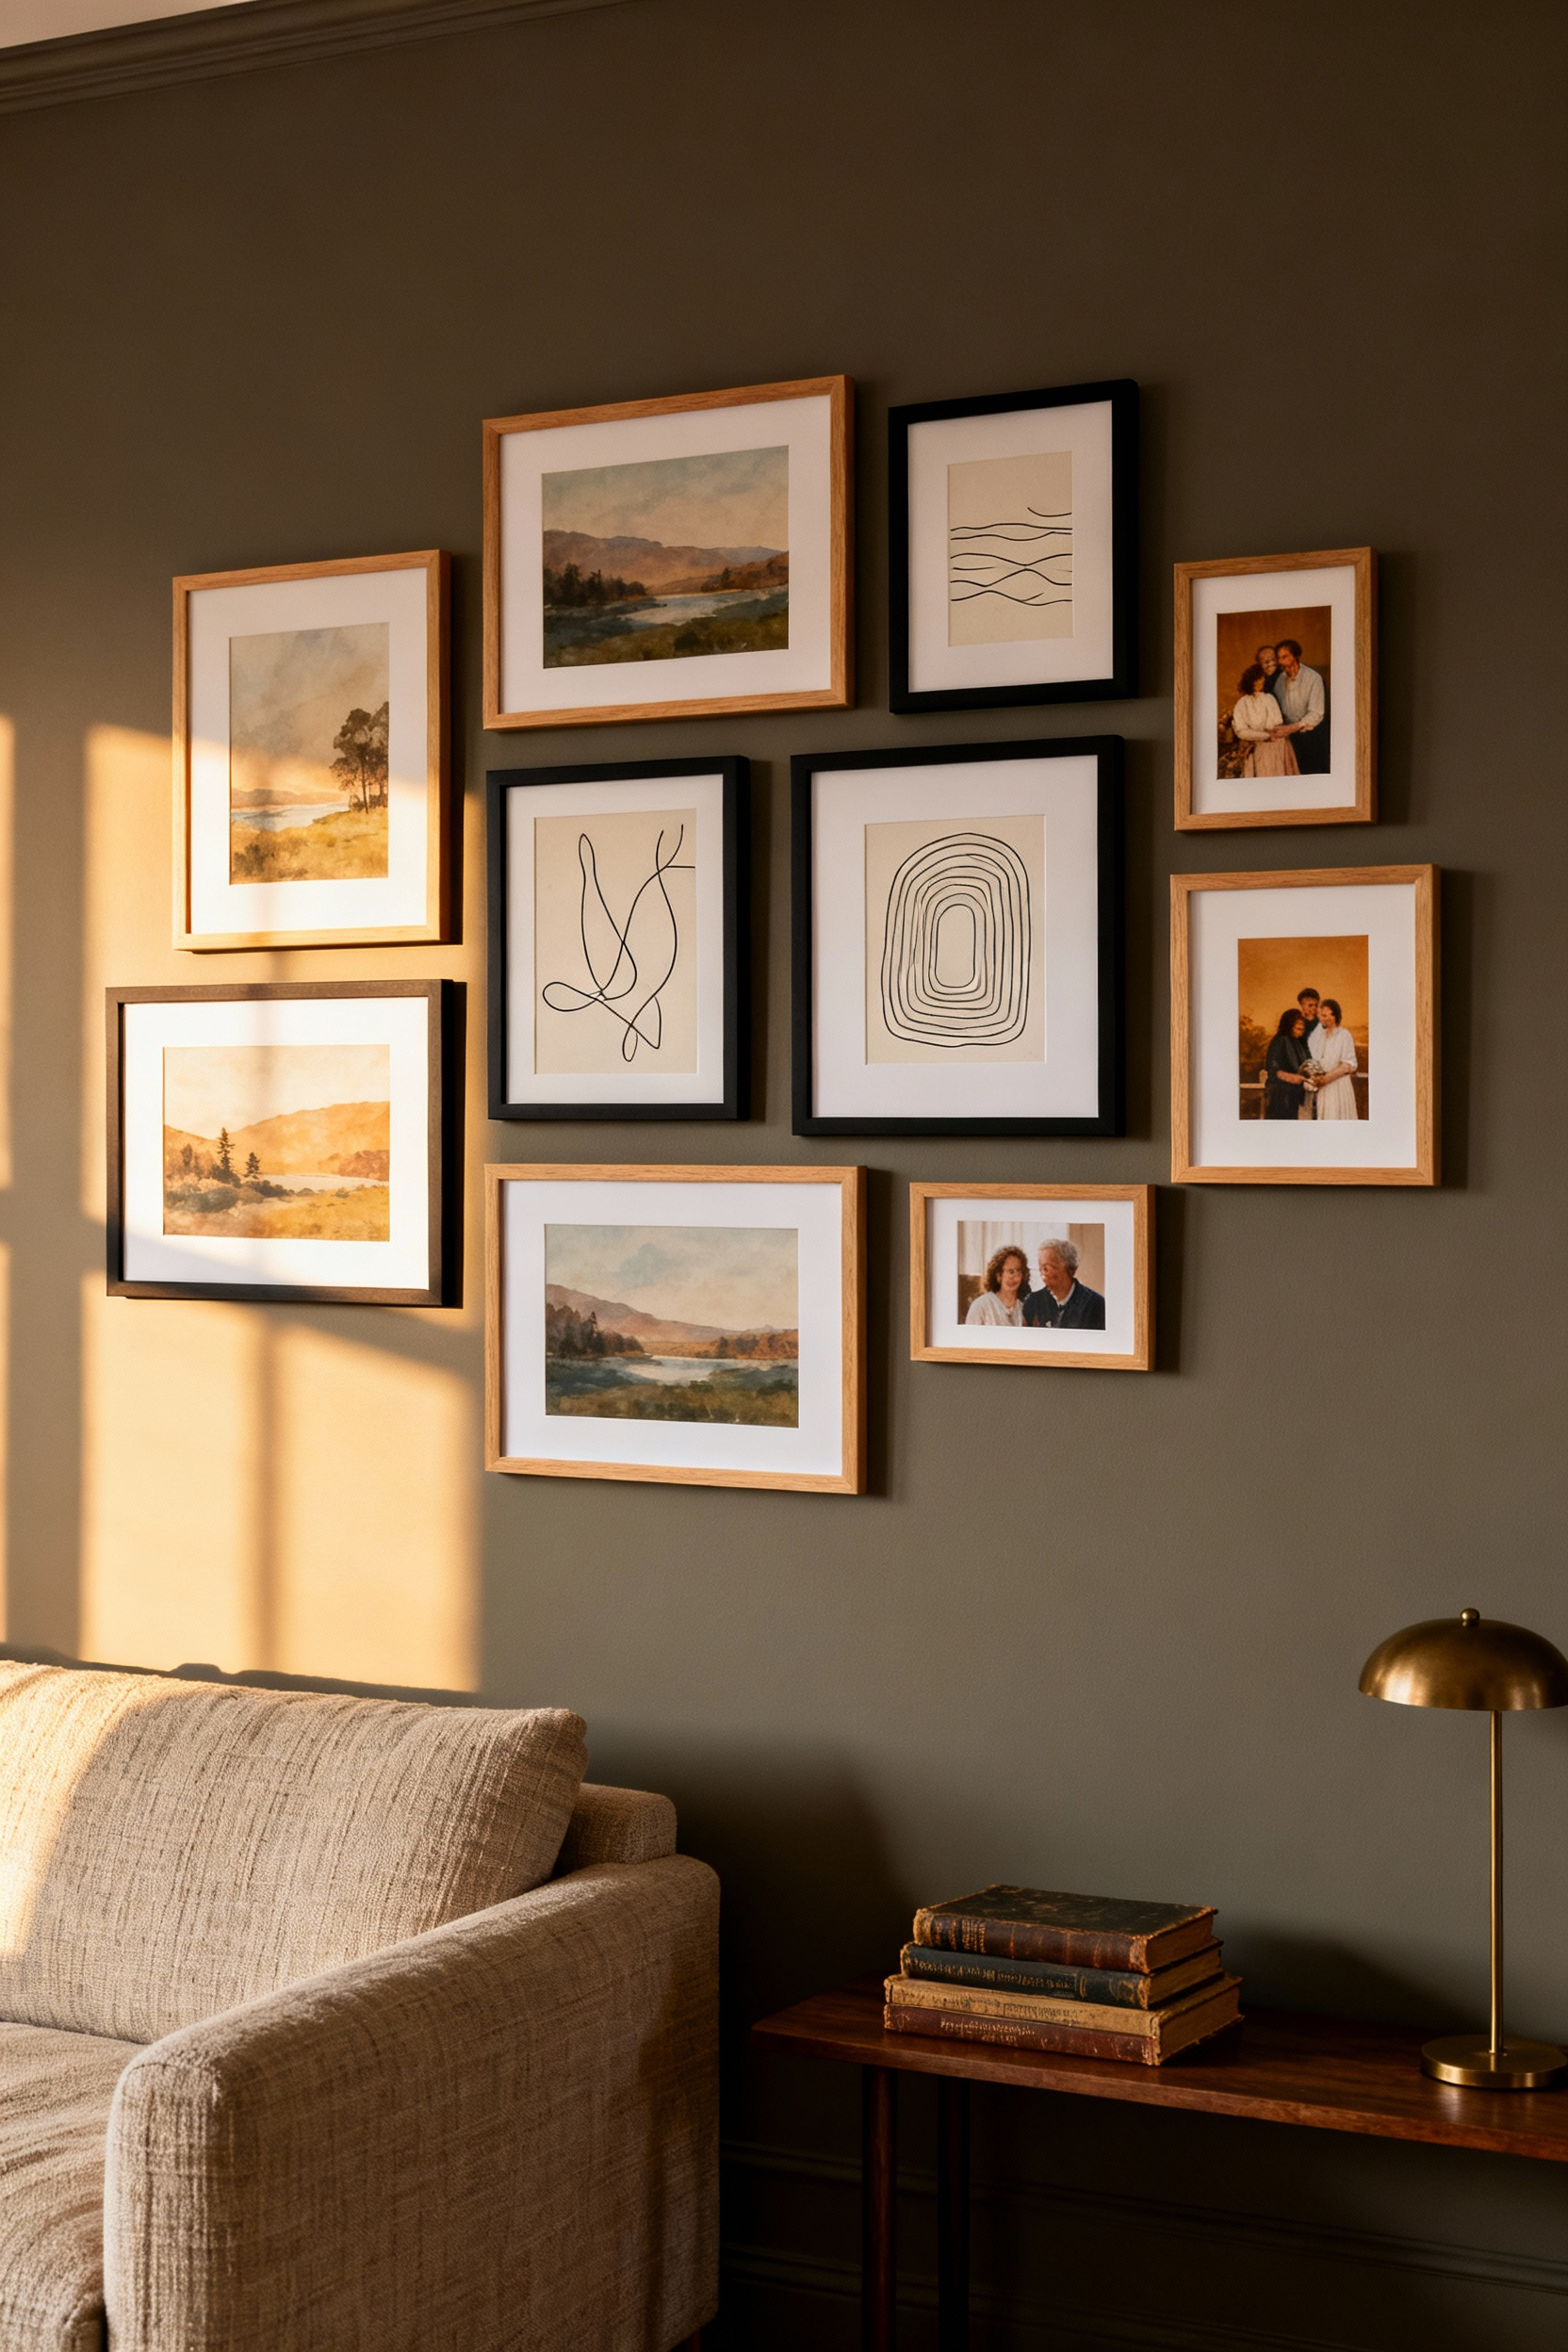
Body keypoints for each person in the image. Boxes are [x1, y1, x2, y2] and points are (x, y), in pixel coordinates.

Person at [1231, 662, 1299, 779]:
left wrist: (1270, 733)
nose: (1260, 682)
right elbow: (1241, 732)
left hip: (1275, 745)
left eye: (1262, 679)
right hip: (1255, 745)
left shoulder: (1269, 699)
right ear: (1250, 681)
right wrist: (1264, 735)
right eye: (1257, 680)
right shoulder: (1242, 704)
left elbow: (1276, 721)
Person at [1270, 639, 1329, 774]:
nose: (1280, 662)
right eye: (1279, 658)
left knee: (1312, 773)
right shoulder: (1280, 680)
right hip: (1290, 738)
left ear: (1295, 656)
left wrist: (1291, 728)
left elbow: (1316, 713)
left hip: (1312, 737)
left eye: (1284, 657)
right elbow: (1278, 707)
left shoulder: (1313, 678)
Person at [1021, 1238, 1105, 1330]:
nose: (1042, 1272)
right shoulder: (1033, 1302)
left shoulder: (1096, 1304)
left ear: (1067, 1266)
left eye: (1046, 1267)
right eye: (1040, 1267)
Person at [1308, 995, 1360, 1119]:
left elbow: (1348, 1065)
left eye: (1325, 1016)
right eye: (1320, 1015)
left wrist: (1326, 1078)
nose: (1321, 1019)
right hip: (1323, 1089)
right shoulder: (1319, 1036)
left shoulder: (1344, 1035)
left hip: (1338, 1087)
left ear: (1334, 1016)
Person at [1263, 1007, 1313, 1119]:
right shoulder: (1280, 1040)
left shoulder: (1297, 1042)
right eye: (1298, 1028)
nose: (1301, 1031)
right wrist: (1294, 1078)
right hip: (1281, 1093)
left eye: (1302, 1029)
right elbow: (1274, 1070)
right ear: (1289, 1026)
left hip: (1293, 1093)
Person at [964, 1244, 1030, 1326]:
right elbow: (969, 1337)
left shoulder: (1023, 1310)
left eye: (1018, 1272)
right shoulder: (981, 1306)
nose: (1015, 1277)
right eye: (1011, 1272)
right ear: (999, 1276)